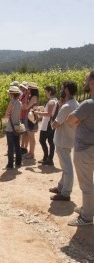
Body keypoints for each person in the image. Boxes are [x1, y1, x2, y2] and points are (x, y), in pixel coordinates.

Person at [66, 71, 94, 226]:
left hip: (85, 149)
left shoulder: (88, 104)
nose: (84, 81)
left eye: (87, 79)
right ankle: (88, 207)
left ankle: (87, 217)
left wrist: (78, 120)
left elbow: (71, 119)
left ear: (92, 83)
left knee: (86, 184)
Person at [49, 81, 78, 202]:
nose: (61, 90)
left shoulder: (66, 107)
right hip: (68, 138)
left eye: (62, 88)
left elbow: (55, 124)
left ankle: (66, 193)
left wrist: (53, 121)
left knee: (67, 167)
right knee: (64, 165)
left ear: (66, 90)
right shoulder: (75, 103)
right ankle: (61, 187)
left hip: (62, 140)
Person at [34, 86, 58, 165]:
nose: (45, 94)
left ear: (50, 92)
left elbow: (48, 114)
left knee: (42, 140)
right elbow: (49, 111)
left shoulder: (51, 102)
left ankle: (46, 158)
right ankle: (49, 159)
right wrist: (41, 108)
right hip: (51, 123)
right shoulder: (55, 100)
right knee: (51, 141)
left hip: (47, 124)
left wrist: (37, 113)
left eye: (46, 92)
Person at [4, 86, 22, 169]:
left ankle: (10, 164)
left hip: (10, 128)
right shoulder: (20, 103)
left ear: (11, 94)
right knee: (17, 145)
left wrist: (8, 114)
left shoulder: (11, 103)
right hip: (17, 126)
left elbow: (6, 115)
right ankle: (18, 162)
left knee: (10, 146)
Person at [22, 82, 40, 159]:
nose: (27, 90)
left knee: (31, 137)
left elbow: (26, 107)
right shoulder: (32, 96)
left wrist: (26, 97)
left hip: (31, 119)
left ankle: (31, 153)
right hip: (30, 118)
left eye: (28, 88)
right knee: (30, 136)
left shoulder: (33, 97)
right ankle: (30, 152)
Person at [19, 81, 29, 155]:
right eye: (21, 87)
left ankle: (25, 148)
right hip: (22, 115)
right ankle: (22, 147)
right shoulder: (22, 95)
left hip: (26, 116)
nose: (21, 88)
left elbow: (25, 106)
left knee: (26, 133)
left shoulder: (27, 96)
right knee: (23, 132)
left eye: (23, 87)